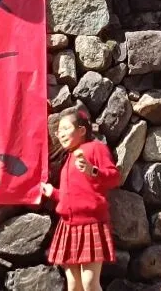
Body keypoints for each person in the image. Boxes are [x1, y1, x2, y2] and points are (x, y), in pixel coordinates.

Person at [42, 107, 120, 291]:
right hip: (67, 225)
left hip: (90, 223)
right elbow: (70, 196)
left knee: (89, 283)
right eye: (58, 131)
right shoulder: (68, 159)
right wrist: (52, 192)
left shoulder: (95, 148)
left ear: (82, 130)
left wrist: (93, 170)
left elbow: (114, 177)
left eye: (65, 128)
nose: (61, 134)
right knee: (73, 285)